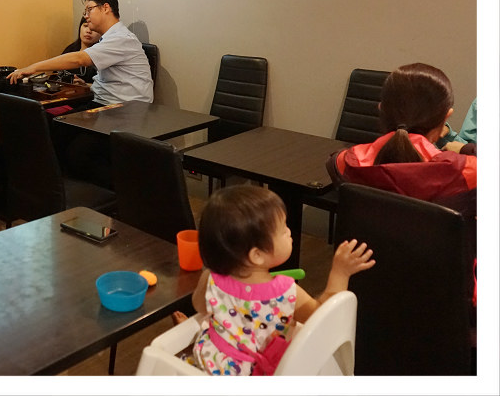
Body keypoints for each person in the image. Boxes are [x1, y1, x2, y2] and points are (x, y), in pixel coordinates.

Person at [190, 185, 375, 376]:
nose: (289, 232)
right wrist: (340, 273)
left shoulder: (211, 277)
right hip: (261, 373)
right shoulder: (286, 291)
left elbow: (200, 306)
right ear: (257, 255)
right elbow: (322, 320)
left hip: (211, 364)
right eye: (282, 229)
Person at [328, 63, 477, 216]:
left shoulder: (343, 162)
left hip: (364, 241)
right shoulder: (467, 171)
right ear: (446, 116)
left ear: (381, 109)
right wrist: (467, 149)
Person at [8, 0, 153, 106]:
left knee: (57, 126)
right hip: (107, 103)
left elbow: (79, 59)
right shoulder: (110, 38)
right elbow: (116, 83)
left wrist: (32, 67)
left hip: (124, 110)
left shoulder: (121, 38)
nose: (86, 16)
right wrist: (89, 86)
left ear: (106, 8)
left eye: (89, 9)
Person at [59, 16, 100, 84]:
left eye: (93, 28)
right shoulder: (70, 49)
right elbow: (55, 75)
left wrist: (85, 85)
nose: (88, 31)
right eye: (85, 26)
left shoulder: (102, 55)